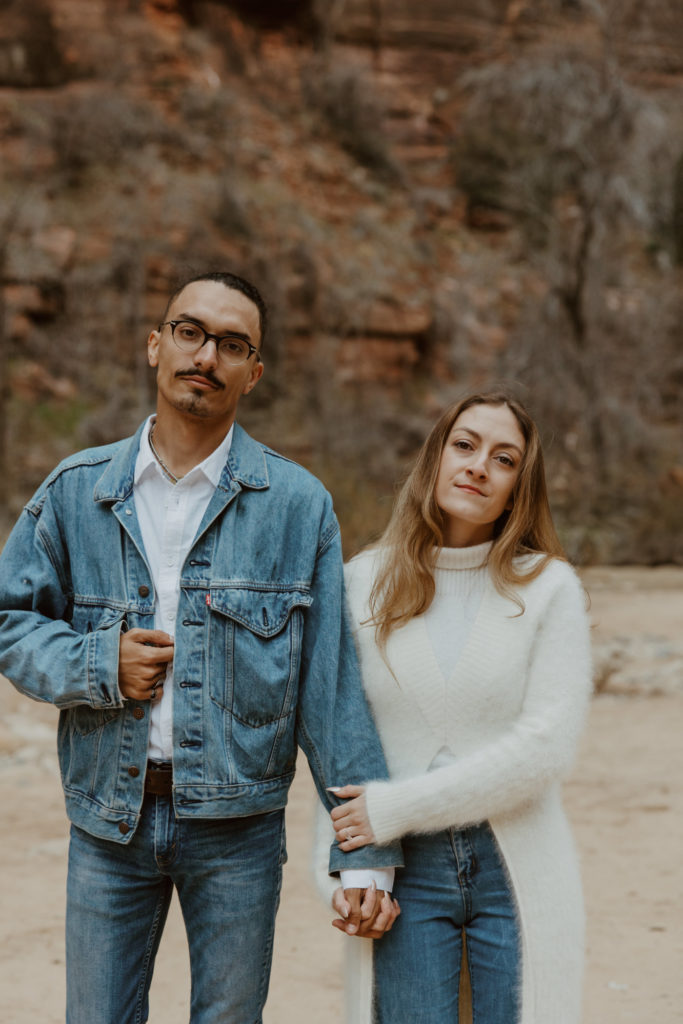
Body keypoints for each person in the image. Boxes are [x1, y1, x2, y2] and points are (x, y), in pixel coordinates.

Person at [0, 271, 401, 1024]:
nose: (205, 356)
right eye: (189, 332)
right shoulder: (74, 491)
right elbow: (9, 621)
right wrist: (98, 663)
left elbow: (329, 686)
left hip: (239, 835)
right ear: (156, 345)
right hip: (107, 823)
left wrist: (365, 851)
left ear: (253, 372)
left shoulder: (297, 506)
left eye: (231, 344)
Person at [323, 392, 592, 1024]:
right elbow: (339, 731)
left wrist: (394, 809)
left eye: (503, 459)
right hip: (403, 870)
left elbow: (545, 749)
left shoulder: (549, 588)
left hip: (517, 864)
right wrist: (348, 872)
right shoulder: (363, 580)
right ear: (436, 457)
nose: (478, 466)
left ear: (518, 488)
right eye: (465, 445)